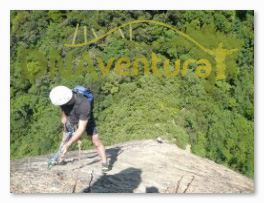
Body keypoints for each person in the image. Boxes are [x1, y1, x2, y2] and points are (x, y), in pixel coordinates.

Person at [49, 85, 109, 172]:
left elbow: (81, 129)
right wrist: (64, 117)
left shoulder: (84, 104)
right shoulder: (63, 98)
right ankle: (60, 158)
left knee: (96, 141)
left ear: (67, 99)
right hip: (71, 117)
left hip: (86, 119)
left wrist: (69, 144)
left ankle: (104, 162)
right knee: (64, 140)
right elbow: (63, 108)